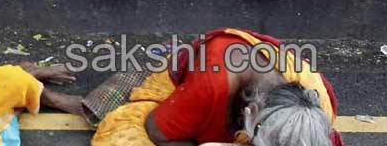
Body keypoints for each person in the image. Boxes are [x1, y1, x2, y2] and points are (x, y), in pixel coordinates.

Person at [91, 28, 342, 146]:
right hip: (192, 80)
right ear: (250, 114)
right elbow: (156, 131)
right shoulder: (211, 86)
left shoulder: (315, 105)